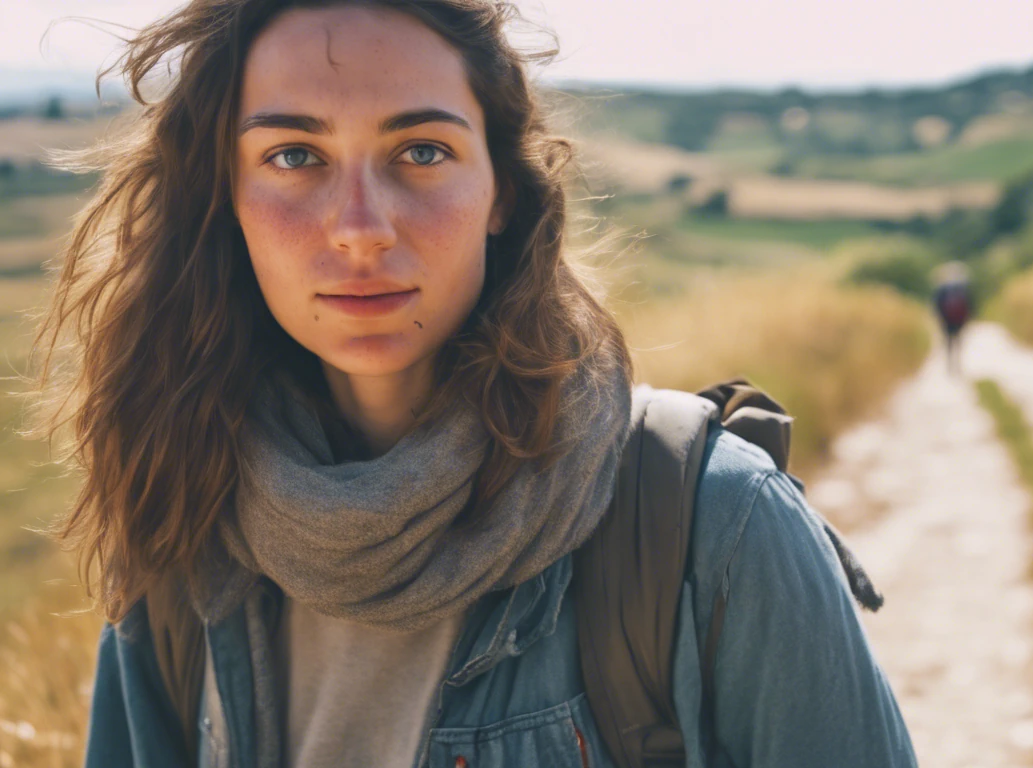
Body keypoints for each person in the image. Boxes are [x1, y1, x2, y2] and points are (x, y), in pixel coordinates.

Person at [31, 2, 917, 766]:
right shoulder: (182, 533)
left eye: (421, 151)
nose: (360, 229)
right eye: (295, 157)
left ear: (501, 189)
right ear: (225, 197)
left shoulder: (714, 526)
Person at [932, 262, 973, 375]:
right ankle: (957, 364)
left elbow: (937, 305)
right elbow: (969, 304)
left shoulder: (942, 289)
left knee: (948, 342)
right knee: (958, 341)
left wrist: (939, 319)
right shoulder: (961, 288)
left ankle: (950, 364)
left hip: (946, 320)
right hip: (959, 320)